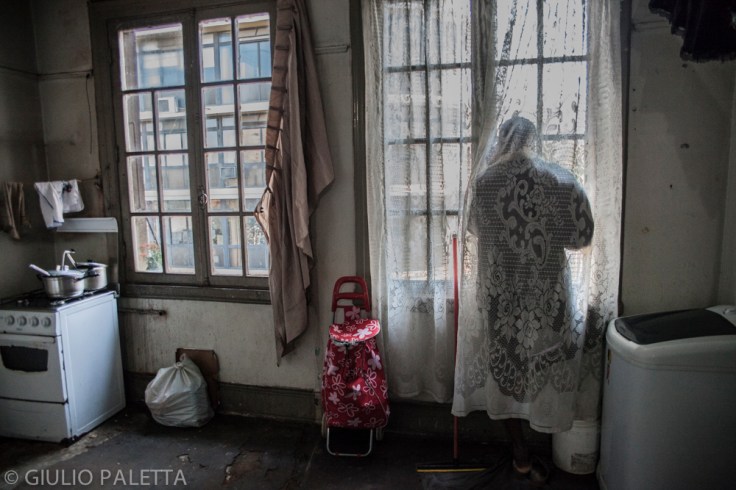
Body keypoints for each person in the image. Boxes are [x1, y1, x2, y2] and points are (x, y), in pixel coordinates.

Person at [452, 116, 595, 484]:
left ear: (502, 141)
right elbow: (582, 235)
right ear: (535, 141)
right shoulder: (559, 179)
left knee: (506, 373)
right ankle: (550, 440)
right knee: (548, 364)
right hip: (548, 294)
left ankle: (519, 452)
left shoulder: (484, 184)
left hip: (503, 296)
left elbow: (473, 230)